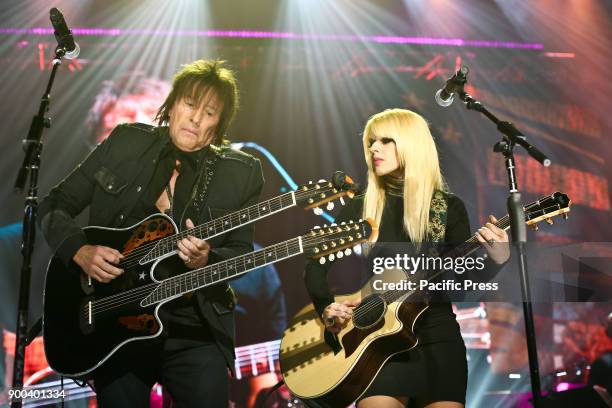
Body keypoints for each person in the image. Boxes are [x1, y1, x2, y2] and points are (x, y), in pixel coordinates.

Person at [38, 59, 264, 408]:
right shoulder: (126, 142)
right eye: (189, 104)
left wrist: (208, 259)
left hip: (195, 327)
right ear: (172, 105)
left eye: (209, 112)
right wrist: (81, 251)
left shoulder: (241, 173)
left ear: (219, 124)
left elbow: (240, 252)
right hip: (116, 322)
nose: (195, 118)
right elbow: (54, 205)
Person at [304, 109, 510, 408]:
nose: (374, 148)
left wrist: (496, 259)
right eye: (372, 141)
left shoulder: (447, 208)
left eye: (386, 140)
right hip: (377, 343)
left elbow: (462, 284)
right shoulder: (359, 207)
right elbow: (314, 267)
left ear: (412, 145)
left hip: (438, 339)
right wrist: (326, 306)